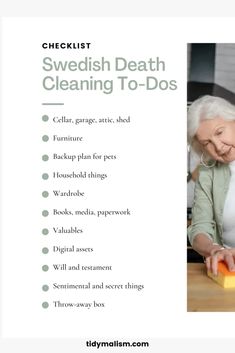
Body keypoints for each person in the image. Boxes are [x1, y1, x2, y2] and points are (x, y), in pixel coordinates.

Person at [187, 95, 235, 276]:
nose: (218, 147)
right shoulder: (208, 172)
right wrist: (214, 250)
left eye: (220, 132)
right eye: (207, 143)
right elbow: (200, 226)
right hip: (228, 270)